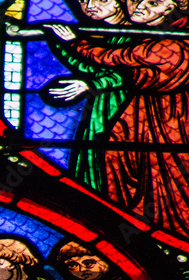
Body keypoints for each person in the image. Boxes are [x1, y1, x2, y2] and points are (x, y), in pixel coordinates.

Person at [45, 0, 189, 249]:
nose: (138, 6)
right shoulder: (140, 35)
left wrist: (75, 43)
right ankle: (126, 229)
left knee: (168, 169)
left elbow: (115, 62)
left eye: (153, 2)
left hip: (165, 119)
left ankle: (182, 237)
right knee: (120, 164)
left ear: (172, 8)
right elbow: (112, 69)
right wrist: (68, 46)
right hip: (134, 114)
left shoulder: (173, 42)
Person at [45, 0, 131, 193]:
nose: (89, 5)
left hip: (126, 110)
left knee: (112, 164)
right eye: (83, 1)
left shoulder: (133, 35)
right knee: (91, 160)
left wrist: (90, 84)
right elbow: (91, 69)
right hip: (102, 108)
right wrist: (58, 41)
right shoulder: (111, 35)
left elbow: (126, 75)